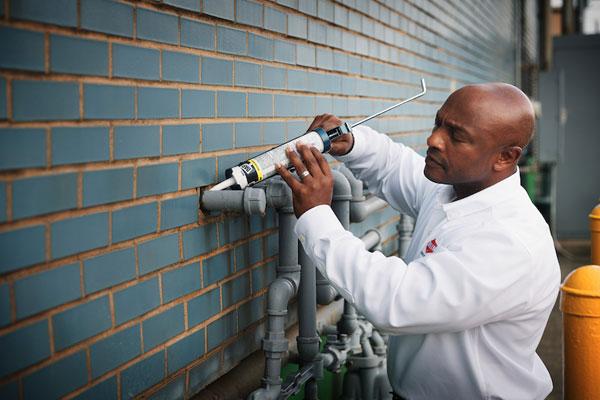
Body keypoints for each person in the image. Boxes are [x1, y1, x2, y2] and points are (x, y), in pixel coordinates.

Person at [275, 83, 560, 399]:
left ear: (505, 157)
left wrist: (317, 216)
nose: (434, 139)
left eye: (456, 135)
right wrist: (353, 142)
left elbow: (396, 300)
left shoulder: (510, 241)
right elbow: (396, 168)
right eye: (438, 123)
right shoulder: (458, 188)